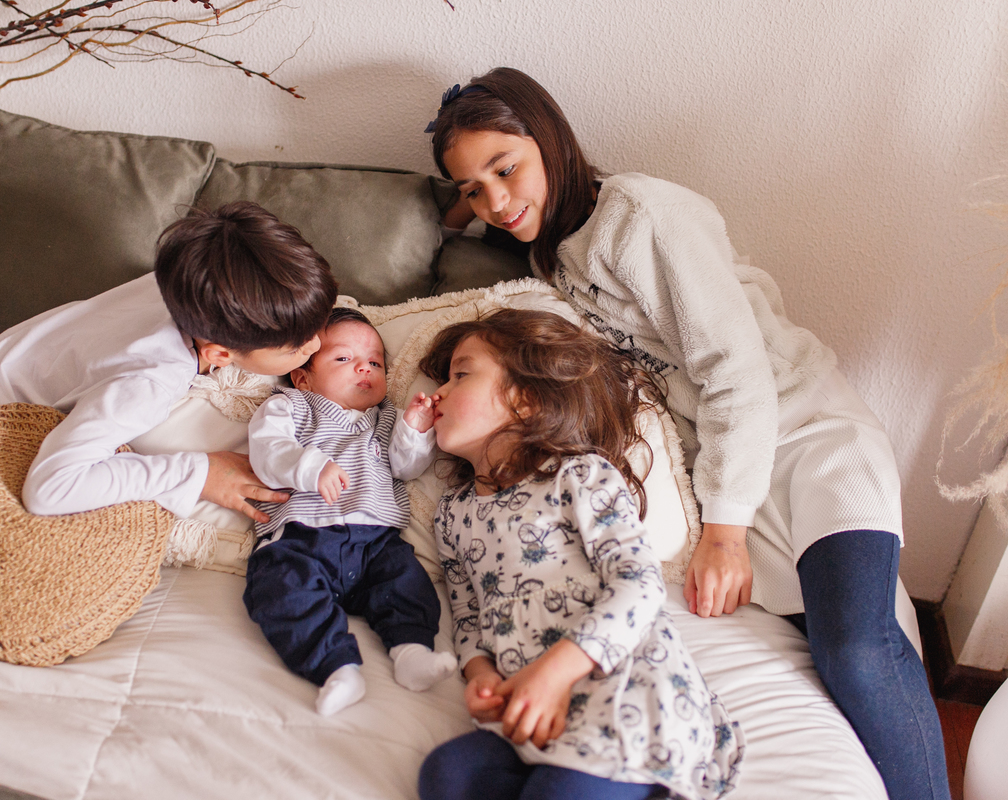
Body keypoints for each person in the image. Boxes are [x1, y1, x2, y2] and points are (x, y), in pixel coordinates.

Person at [423, 67, 948, 800]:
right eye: (473, 189)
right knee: (823, 648)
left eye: (505, 169)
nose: (496, 202)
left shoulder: (640, 216)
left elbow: (735, 370)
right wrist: (453, 213)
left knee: (858, 651)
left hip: (806, 439)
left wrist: (725, 533)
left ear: (550, 139)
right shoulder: (551, 250)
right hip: (730, 472)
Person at [0, 201, 337, 528]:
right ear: (219, 352)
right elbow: (50, 488)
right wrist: (196, 472)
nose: (314, 346)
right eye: (296, 346)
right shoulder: (155, 378)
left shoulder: (186, 280)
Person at [415, 308, 743, 800]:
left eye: (460, 375)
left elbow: (640, 584)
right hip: (527, 704)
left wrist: (554, 675)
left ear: (524, 400)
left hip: (621, 687)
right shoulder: (452, 515)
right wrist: (481, 675)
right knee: (447, 776)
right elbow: (467, 616)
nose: (437, 393)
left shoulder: (577, 475)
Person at [243, 307, 458, 716]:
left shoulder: (386, 417)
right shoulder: (291, 406)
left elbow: (406, 468)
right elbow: (267, 451)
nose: (364, 368)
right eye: (343, 359)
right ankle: (335, 667)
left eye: (375, 362)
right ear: (303, 376)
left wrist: (414, 429)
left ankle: (411, 652)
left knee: (405, 582)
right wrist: (310, 467)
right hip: (300, 536)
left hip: (375, 539)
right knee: (280, 589)